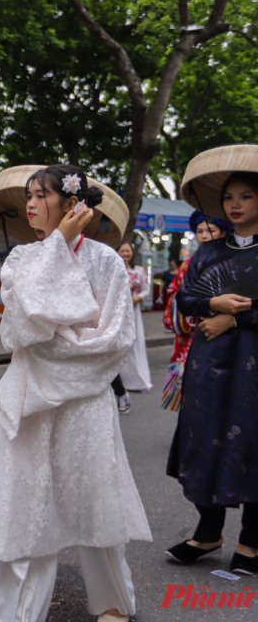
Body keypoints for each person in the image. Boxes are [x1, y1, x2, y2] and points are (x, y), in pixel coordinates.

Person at [0, 165, 151, 622]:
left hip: (84, 400)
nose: (31, 204)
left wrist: (51, 342)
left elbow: (114, 339)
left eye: (41, 195)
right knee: (24, 506)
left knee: (94, 496)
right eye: (28, 196)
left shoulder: (106, 261)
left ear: (72, 203)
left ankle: (113, 601)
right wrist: (56, 250)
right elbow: (18, 331)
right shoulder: (20, 260)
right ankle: (12, 613)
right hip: (29, 399)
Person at [166, 165, 258, 577]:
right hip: (209, 364)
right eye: (228, 198)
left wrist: (237, 320)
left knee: (252, 441)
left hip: (253, 365)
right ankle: (208, 532)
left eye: (245, 196)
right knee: (202, 438)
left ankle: (251, 541)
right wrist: (212, 306)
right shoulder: (207, 252)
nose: (234, 205)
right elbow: (185, 299)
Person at [161, 212, 228, 412]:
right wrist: (186, 301)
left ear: (224, 232)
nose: (204, 235)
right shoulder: (187, 264)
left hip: (221, 331)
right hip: (188, 332)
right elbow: (173, 292)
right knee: (188, 385)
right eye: (199, 231)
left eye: (211, 231)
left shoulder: (231, 261)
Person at [116, 241, 152, 395]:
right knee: (118, 343)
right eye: (122, 250)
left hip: (133, 310)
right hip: (116, 311)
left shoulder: (139, 271)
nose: (125, 253)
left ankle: (138, 380)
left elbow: (146, 290)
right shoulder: (112, 268)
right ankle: (119, 379)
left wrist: (137, 299)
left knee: (134, 342)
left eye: (128, 251)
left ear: (132, 253)